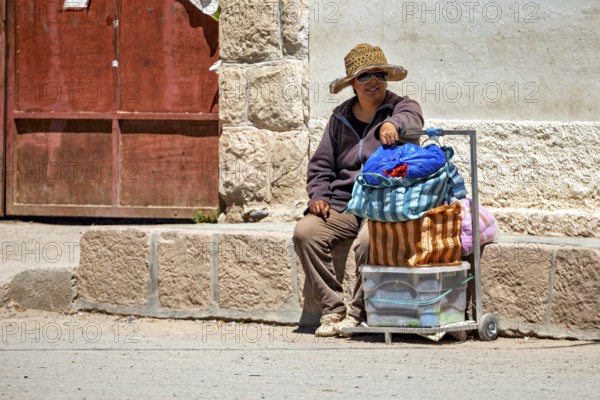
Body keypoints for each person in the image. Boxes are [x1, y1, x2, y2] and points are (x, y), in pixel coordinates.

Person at [293, 43, 424, 337]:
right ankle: (332, 309)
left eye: (379, 74)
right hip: (344, 203)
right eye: (364, 76)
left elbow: (412, 118)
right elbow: (321, 166)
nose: (373, 82)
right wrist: (318, 196)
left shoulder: (401, 106)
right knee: (306, 232)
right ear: (353, 83)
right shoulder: (339, 118)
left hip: (383, 202)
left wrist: (393, 124)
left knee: (369, 241)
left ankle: (357, 314)